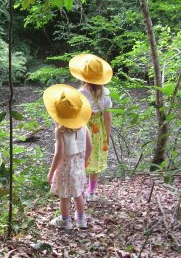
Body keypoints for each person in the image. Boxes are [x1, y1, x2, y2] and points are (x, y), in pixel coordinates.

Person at [43, 84, 93, 230]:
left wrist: (51, 172)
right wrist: (85, 162)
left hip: (65, 169)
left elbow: (59, 154)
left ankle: (65, 221)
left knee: (64, 196)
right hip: (79, 167)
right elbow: (90, 147)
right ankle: (81, 220)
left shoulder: (60, 132)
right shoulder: (84, 127)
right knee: (78, 194)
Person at [69, 53, 113, 202]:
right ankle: (92, 192)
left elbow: (76, 115)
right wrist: (107, 135)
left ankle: (80, 191)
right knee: (95, 160)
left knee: (81, 159)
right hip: (99, 131)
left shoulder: (80, 93)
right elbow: (107, 117)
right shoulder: (106, 94)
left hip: (83, 130)